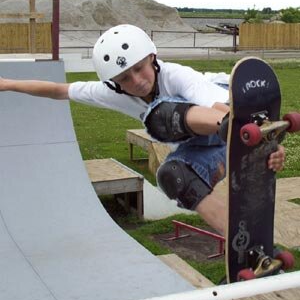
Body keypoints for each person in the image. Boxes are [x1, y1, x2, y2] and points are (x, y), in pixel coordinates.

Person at [0, 24, 285, 235]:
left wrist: (261, 139)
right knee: (173, 177)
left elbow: (218, 105)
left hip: (230, 106)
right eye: (125, 78)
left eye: (140, 68)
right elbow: (58, 90)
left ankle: (240, 139)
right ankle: (241, 239)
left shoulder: (177, 75)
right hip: (205, 142)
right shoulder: (110, 91)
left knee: (159, 115)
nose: (136, 81)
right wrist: (8, 84)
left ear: (152, 58)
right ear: (114, 84)